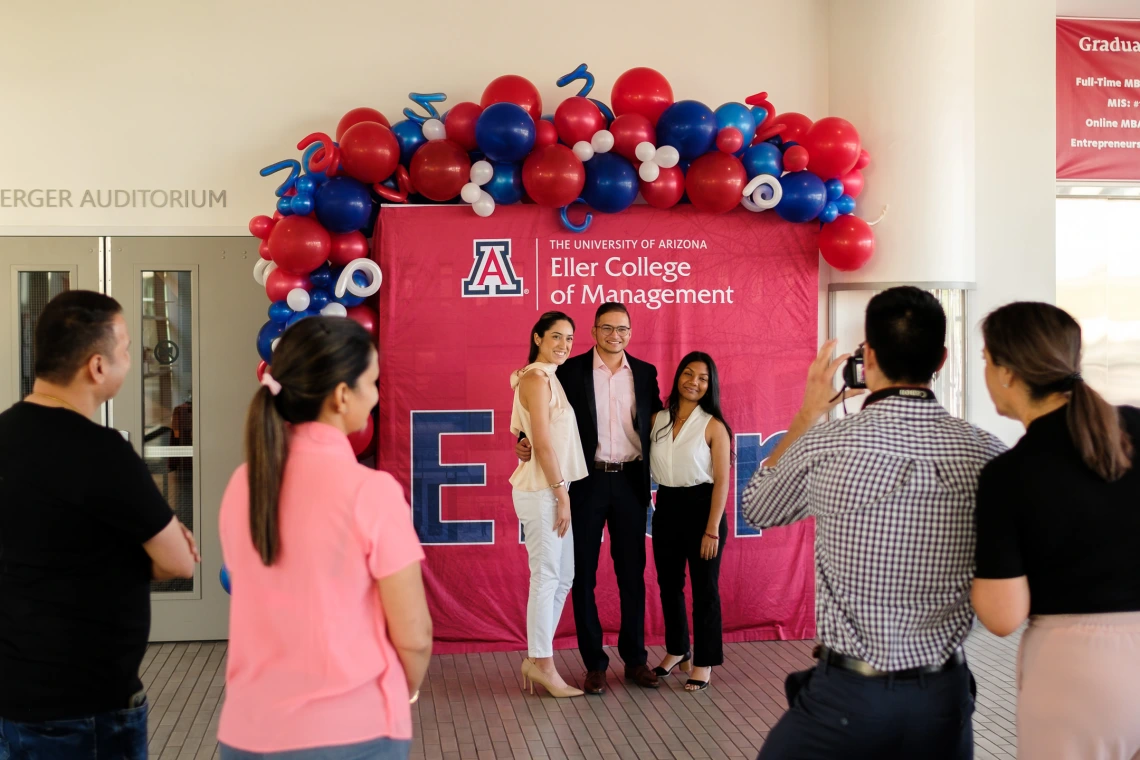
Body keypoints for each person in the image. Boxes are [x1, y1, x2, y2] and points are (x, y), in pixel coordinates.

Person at [741, 286, 1006, 760]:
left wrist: (809, 412)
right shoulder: (988, 453)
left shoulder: (831, 443)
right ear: (942, 359)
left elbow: (758, 507)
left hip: (846, 698)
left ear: (869, 358)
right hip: (943, 697)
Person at [217, 317, 431, 760]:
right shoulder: (370, 492)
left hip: (246, 732)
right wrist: (399, 690)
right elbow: (414, 634)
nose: (376, 395)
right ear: (340, 396)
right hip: (353, 732)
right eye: (372, 382)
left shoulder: (243, 484)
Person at [0, 290, 198, 759]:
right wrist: (137, 554)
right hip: (86, 707)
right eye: (127, 349)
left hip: (12, 695)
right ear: (97, 366)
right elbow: (179, 562)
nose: (131, 359)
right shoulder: (103, 452)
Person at [972, 302, 1140, 760]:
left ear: (1007, 372)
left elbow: (1003, 616)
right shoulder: (1136, 426)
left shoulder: (1009, 474)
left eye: (985, 360)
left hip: (1079, 673)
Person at [516, 302, 663, 694]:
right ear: (595, 331)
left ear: (630, 332)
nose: (616, 335)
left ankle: (635, 660)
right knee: (580, 576)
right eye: (608, 328)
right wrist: (523, 440)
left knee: (632, 573)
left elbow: (659, 422)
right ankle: (594, 664)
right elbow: (539, 414)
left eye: (623, 329)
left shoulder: (646, 374)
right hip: (585, 483)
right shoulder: (568, 370)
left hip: (631, 482)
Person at [510, 311, 589, 698]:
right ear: (538, 337)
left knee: (563, 577)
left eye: (570, 339)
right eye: (556, 337)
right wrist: (561, 496)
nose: (564, 345)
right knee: (545, 576)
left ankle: (537, 656)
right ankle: (543, 663)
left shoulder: (547, 378)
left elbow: (530, 438)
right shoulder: (536, 379)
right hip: (543, 491)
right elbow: (540, 443)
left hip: (554, 488)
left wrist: (561, 491)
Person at [649, 352, 733, 692]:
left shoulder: (714, 425)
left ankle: (704, 661)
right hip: (666, 505)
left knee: (705, 591)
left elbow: (723, 481)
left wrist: (712, 528)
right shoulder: (657, 420)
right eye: (688, 373)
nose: (693, 382)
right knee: (669, 585)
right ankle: (677, 649)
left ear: (710, 385)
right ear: (678, 377)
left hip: (703, 510)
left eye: (702, 377)